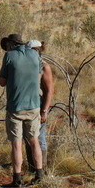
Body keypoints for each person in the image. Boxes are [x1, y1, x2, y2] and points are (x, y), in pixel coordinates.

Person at [0, 33, 45, 188]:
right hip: (34, 106)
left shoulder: (9, 56)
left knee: (16, 145)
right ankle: (39, 175)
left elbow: (2, 82)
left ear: (11, 44)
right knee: (34, 142)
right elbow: (38, 75)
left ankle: (17, 180)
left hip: (16, 107)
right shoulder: (34, 54)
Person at [25, 40, 54, 171]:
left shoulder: (44, 67)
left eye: (34, 50)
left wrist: (44, 111)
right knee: (28, 137)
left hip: (39, 105)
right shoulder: (24, 65)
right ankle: (33, 168)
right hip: (25, 105)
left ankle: (42, 170)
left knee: (39, 137)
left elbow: (49, 90)